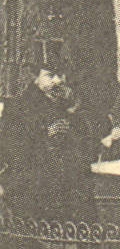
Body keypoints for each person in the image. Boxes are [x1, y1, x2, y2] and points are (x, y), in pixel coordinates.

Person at [0, 43, 95, 222]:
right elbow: (11, 152)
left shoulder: (67, 108)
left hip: (67, 195)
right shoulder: (18, 109)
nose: (58, 81)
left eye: (61, 75)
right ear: (35, 78)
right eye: (50, 75)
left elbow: (85, 150)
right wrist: (45, 137)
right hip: (30, 195)